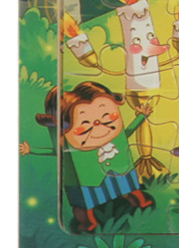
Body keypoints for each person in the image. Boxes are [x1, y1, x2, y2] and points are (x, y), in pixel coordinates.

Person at [20, 82, 152, 232]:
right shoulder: (67, 147)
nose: (98, 124)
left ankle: (137, 200)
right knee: (82, 204)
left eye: (107, 117)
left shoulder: (117, 138)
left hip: (120, 171)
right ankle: (88, 222)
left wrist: (142, 116)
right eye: (84, 126)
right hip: (86, 182)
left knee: (128, 187)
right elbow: (55, 151)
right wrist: (31, 150)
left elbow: (128, 131)